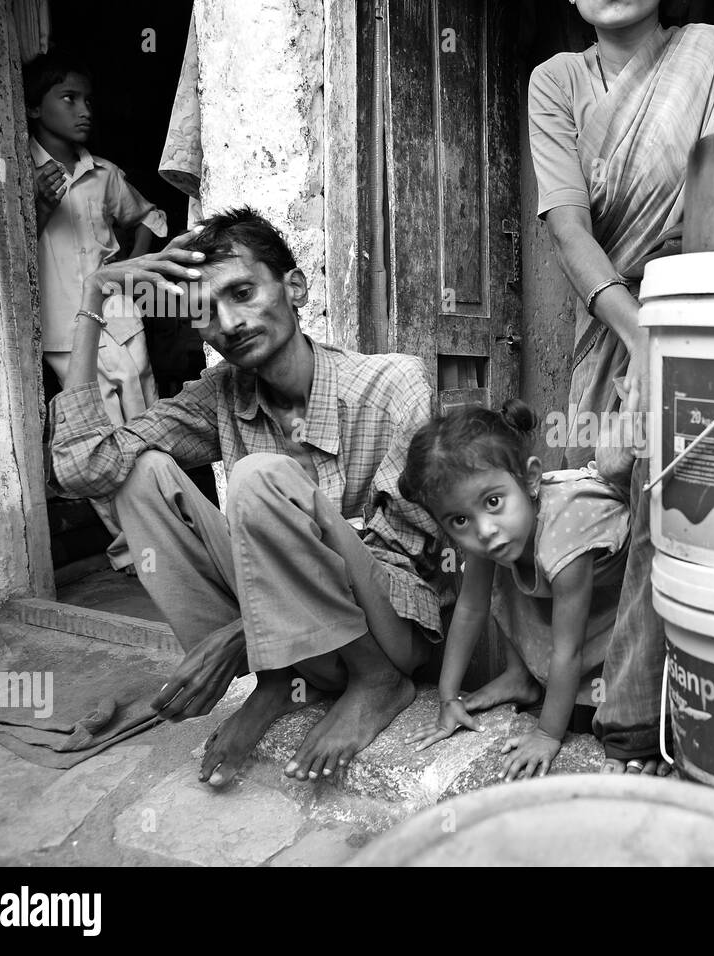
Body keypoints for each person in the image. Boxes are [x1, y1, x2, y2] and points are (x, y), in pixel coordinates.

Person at [47, 207, 448, 787]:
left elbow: (403, 556)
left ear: (295, 289)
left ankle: (373, 686)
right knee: (142, 475)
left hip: (391, 635)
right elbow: (87, 467)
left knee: (261, 478)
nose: (228, 323)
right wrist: (94, 294)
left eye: (241, 292)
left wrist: (241, 636)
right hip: (294, 642)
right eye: (206, 312)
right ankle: (278, 682)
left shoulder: (394, 385)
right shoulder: (221, 395)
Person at [528, 0, 714, 772]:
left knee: (680, 497)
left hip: (695, 299)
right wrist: (639, 334)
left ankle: (644, 719)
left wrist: (673, 314)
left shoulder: (711, 50)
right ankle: (587, 697)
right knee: (598, 509)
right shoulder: (556, 82)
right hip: (612, 318)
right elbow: (567, 226)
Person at [401, 401, 630, 781]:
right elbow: (470, 608)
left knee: (613, 692)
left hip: (625, 597)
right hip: (566, 582)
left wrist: (546, 734)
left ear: (530, 479)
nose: (485, 529)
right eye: (459, 520)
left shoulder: (565, 533)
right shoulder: (492, 533)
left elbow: (568, 650)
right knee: (498, 577)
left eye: (493, 502)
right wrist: (448, 697)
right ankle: (520, 677)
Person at [26, 51, 168, 570]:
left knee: (147, 424)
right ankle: (134, 552)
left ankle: (164, 537)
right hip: (68, 329)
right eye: (69, 99)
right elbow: (9, 252)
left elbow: (152, 214)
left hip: (123, 320)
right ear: (36, 109)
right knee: (94, 437)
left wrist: (131, 267)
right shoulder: (15, 171)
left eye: (87, 99)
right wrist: (37, 204)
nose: (84, 110)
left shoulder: (103, 173)